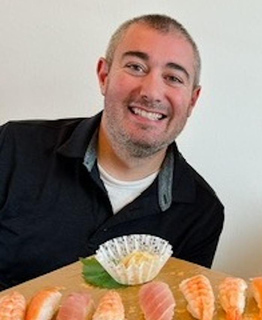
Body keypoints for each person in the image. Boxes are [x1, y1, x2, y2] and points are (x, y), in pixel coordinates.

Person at [0, 14, 224, 290]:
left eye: (173, 77)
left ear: (192, 100)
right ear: (104, 76)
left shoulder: (202, 214)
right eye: (136, 67)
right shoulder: (13, 148)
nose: (152, 92)